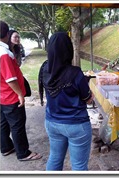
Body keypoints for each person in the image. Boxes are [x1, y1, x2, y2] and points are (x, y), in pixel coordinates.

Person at [39, 32, 94, 171]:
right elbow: (87, 99)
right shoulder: (75, 73)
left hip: (52, 122)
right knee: (79, 166)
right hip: (76, 125)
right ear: (69, 50)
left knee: (55, 158)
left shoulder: (45, 69)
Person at [0, 21, 42, 161]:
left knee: (3, 123)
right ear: (7, 34)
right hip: (10, 95)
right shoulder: (3, 54)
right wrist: (19, 94)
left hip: (1, 94)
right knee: (17, 125)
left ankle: (6, 147)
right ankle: (23, 153)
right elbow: (10, 78)